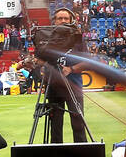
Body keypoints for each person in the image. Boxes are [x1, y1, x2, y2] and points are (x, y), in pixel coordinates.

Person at [38, 7, 89, 144]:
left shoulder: (78, 39)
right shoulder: (47, 38)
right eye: (60, 18)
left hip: (74, 86)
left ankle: (82, 154)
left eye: (66, 18)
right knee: (55, 124)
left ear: (71, 20)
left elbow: (88, 63)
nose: (63, 21)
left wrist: (71, 69)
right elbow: (40, 59)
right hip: (54, 86)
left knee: (78, 123)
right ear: (54, 21)